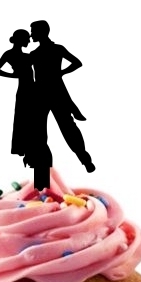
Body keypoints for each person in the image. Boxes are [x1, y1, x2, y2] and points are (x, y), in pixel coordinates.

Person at [29, 20, 95, 172]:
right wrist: (60, 73)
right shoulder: (40, 53)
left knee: (66, 128)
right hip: (46, 94)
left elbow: (77, 62)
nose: (31, 34)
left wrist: (61, 72)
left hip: (52, 94)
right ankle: (46, 166)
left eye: (33, 31)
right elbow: (76, 63)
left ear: (42, 32)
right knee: (51, 130)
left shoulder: (45, 52)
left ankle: (85, 160)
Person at [0, 29, 36, 158]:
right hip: (26, 89)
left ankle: (26, 147)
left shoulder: (26, 56)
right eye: (27, 38)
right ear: (21, 39)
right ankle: (24, 147)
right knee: (24, 119)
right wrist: (13, 75)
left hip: (30, 88)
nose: (29, 41)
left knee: (26, 119)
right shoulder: (11, 54)